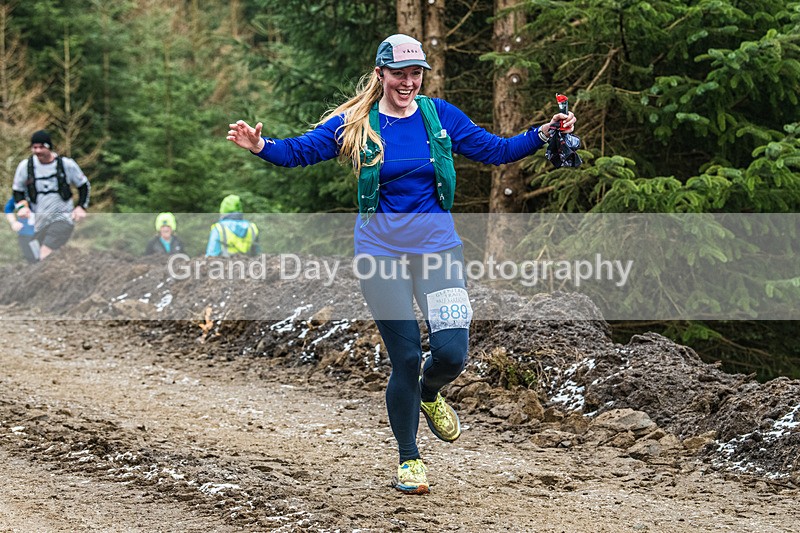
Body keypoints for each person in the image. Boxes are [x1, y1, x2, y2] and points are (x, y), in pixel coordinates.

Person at [226, 34, 576, 495]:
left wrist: (546, 132)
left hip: (438, 251)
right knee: (407, 357)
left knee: (451, 353)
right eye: (399, 73)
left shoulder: (439, 116)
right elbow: (299, 151)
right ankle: (409, 459)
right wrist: (259, 145)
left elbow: (495, 150)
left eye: (416, 74)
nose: (408, 82)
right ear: (381, 74)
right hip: (380, 256)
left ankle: (430, 393)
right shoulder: (357, 122)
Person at [11, 130, 89, 261]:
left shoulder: (66, 165)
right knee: (37, 257)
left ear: (49, 147)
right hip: (39, 219)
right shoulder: (26, 166)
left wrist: (81, 206)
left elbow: (84, 186)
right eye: (34, 147)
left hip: (63, 217)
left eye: (41, 147)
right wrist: (21, 207)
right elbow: (17, 190)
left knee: (45, 253)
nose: (38, 151)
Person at [4, 196, 39, 263]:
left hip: (43, 233)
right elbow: (8, 209)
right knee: (32, 261)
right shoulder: (18, 195)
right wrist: (13, 222)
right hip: (25, 234)